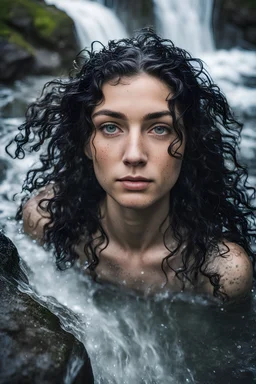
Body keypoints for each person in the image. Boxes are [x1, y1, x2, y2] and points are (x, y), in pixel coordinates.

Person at [6, 28, 255, 302]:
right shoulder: (47, 221)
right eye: (111, 127)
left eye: (160, 129)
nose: (134, 154)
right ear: (87, 143)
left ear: (187, 143)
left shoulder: (219, 272)